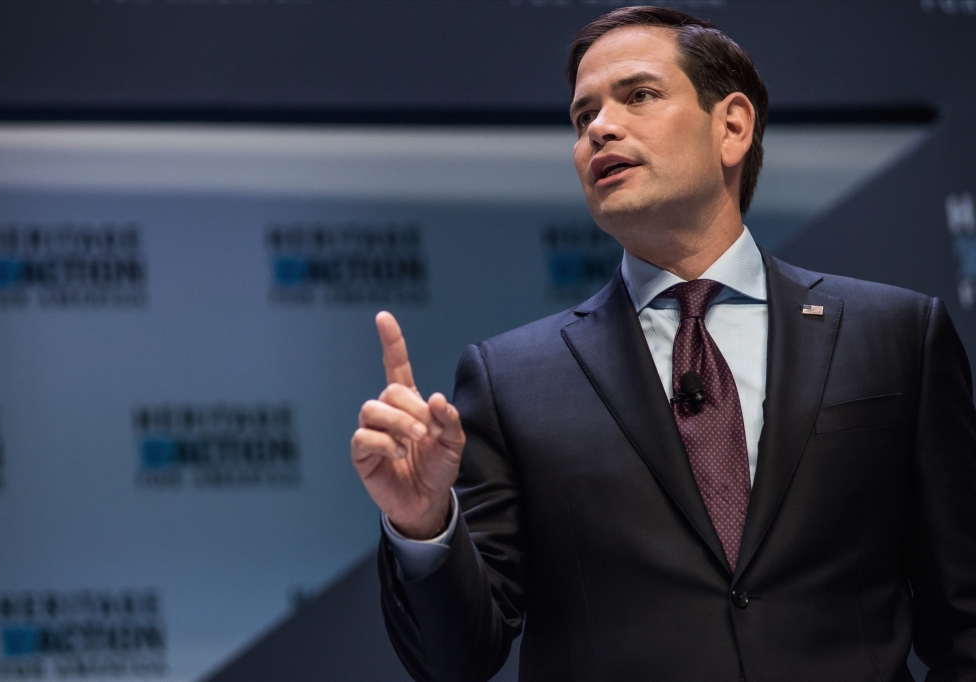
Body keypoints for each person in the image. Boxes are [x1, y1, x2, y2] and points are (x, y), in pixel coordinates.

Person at [350, 7, 976, 682]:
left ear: (732, 126)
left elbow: (965, 621)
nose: (600, 128)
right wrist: (423, 526)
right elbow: (460, 658)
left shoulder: (894, 334)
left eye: (638, 95)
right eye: (582, 115)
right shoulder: (512, 380)